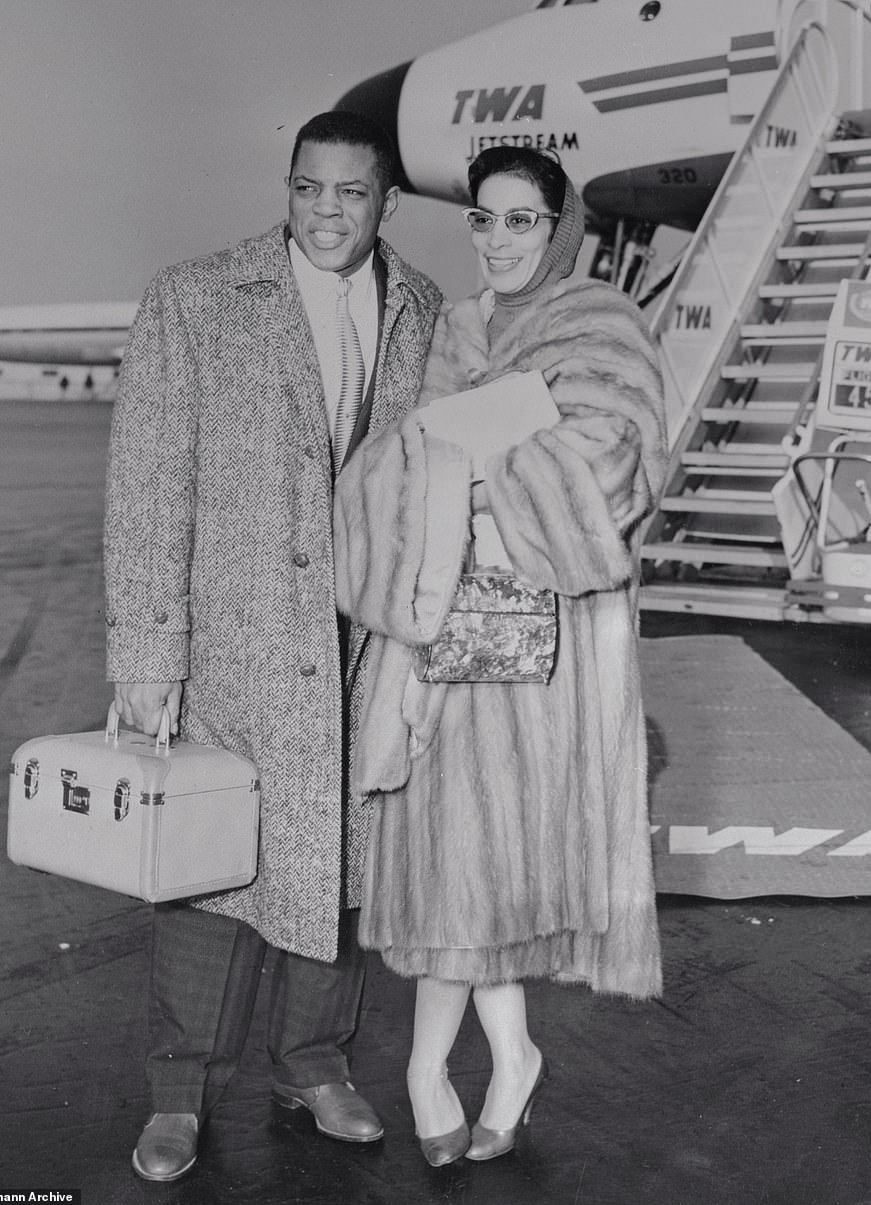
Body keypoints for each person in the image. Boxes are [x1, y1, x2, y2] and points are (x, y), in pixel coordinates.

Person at [103, 110, 442, 1183]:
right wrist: (149, 647)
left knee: (341, 869)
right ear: (286, 188)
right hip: (235, 644)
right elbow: (147, 486)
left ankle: (313, 1065)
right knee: (209, 874)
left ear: (386, 198)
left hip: (360, 641)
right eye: (307, 189)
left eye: (349, 192)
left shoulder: (423, 308)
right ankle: (178, 1093)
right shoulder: (196, 295)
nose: (325, 212)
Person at [332, 145, 667, 1166]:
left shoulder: (600, 323)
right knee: (450, 875)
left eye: (521, 219)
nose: (498, 239)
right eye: (482, 218)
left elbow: (613, 465)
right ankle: (499, 1055)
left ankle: (442, 1068)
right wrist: (478, 458)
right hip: (436, 650)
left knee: (485, 881)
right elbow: (383, 474)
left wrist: (472, 478)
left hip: (547, 666)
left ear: (557, 226)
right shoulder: (453, 331)